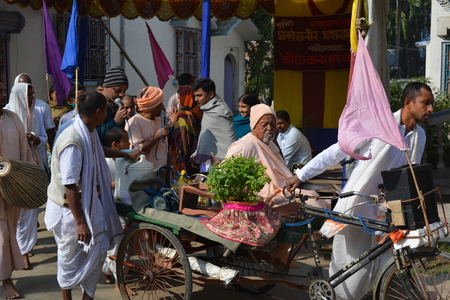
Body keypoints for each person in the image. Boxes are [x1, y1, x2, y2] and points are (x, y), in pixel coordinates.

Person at [286, 82, 434, 300]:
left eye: (431, 104)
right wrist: (300, 176)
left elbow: (409, 172)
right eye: (426, 103)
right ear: (408, 103)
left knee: (383, 260)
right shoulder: (378, 126)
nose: (431, 109)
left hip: (388, 206)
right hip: (359, 202)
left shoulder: (419, 135)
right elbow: (337, 150)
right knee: (351, 260)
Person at [44, 91, 123, 300]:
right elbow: (70, 185)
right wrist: (80, 222)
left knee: (97, 254)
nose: (107, 114)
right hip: (70, 211)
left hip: (90, 204)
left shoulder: (89, 131)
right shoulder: (72, 139)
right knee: (69, 259)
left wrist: (126, 154)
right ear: (98, 112)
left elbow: (99, 150)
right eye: (106, 110)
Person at [225, 104, 327, 215]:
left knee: (314, 197)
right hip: (263, 197)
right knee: (312, 203)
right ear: (254, 126)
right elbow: (227, 174)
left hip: (282, 187)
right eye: (264, 125)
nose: (269, 128)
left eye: (272, 124)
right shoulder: (245, 145)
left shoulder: (269, 143)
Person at [8, 82, 47, 271]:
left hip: (32, 166)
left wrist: (35, 139)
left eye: (33, 93)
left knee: (29, 211)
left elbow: (43, 138)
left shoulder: (37, 113)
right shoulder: (8, 116)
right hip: (9, 172)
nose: (33, 98)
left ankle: (24, 250)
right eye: (29, 94)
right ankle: (16, 251)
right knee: (12, 214)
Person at [0, 80, 31, 299]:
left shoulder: (13, 118)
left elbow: (24, 153)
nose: (3, 95)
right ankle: (6, 280)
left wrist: (26, 182)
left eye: (4, 91)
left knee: (7, 231)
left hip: (11, 188)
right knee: (1, 233)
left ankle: (6, 277)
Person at [101, 127, 133, 295]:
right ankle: (119, 280)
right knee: (117, 244)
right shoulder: (106, 162)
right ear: (115, 144)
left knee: (126, 242)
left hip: (126, 203)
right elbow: (102, 186)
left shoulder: (125, 159)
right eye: (126, 141)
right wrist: (123, 182)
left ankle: (107, 270)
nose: (129, 143)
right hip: (112, 206)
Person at [193, 78, 236, 171]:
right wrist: (197, 152)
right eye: (195, 96)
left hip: (220, 163)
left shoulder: (220, 111)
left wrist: (230, 159)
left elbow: (228, 138)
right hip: (207, 161)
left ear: (211, 94)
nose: (196, 99)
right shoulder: (208, 109)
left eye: (199, 95)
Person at [126, 86, 173, 169]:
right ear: (152, 106)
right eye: (160, 104)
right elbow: (137, 152)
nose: (162, 107)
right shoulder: (134, 123)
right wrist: (157, 136)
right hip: (144, 175)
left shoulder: (159, 120)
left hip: (161, 173)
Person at [14, 73, 56, 149]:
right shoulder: (8, 112)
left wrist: (35, 139)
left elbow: (48, 134)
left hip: (37, 154)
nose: (25, 88)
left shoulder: (39, 110)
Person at [170, 85, 202, 174]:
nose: (177, 101)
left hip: (182, 161)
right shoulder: (198, 114)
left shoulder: (181, 118)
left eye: (179, 98)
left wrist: (172, 122)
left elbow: (171, 137)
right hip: (196, 160)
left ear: (186, 98)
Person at [97, 65, 132, 146]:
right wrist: (115, 121)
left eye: (124, 91)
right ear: (106, 87)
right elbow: (92, 134)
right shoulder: (95, 103)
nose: (122, 95)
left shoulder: (117, 106)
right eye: (118, 90)